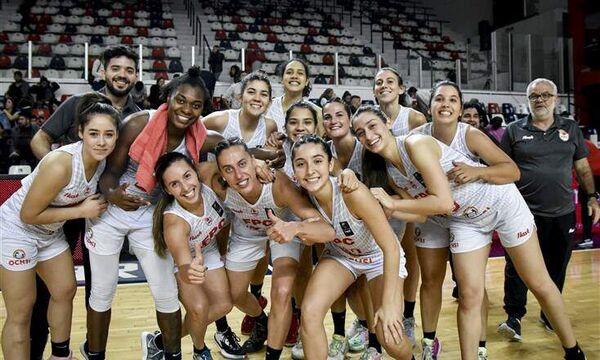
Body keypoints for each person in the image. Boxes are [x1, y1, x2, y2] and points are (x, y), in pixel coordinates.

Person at [354, 104, 588, 360]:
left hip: (502, 205)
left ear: (387, 123)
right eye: (360, 133)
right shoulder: (388, 174)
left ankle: (573, 350)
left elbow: (441, 201)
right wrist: (391, 211)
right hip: (466, 220)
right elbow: (422, 214)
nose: (368, 135)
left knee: (538, 282)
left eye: (372, 126)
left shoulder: (415, 143)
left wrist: (394, 204)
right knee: (468, 295)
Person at [81, 66, 223, 360]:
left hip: (150, 214)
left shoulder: (198, 135)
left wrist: (266, 156)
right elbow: (110, 174)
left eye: (195, 105)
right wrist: (113, 195)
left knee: (166, 293)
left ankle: (171, 355)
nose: (187, 109)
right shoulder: (137, 123)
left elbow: (231, 146)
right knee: (102, 292)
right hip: (111, 209)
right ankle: (95, 354)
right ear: (168, 96)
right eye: (181, 100)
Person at [27, 44, 141, 360]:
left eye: (129, 70)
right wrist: (64, 175)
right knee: (47, 289)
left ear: (136, 75)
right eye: (116, 68)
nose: (122, 75)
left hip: (105, 212)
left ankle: (94, 350)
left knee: (98, 288)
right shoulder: (78, 104)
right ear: (102, 71)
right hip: (66, 208)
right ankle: (38, 349)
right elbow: (39, 139)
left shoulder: (139, 115)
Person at [0, 93, 119, 360]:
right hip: (16, 229)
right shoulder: (61, 164)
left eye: (109, 134)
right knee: (22, 310)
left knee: (65, 290)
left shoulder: (102, 163)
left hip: (49, 232)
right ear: (80, 133)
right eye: (94, 134)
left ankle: (60, 356)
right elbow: (28, 214)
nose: (101, 141)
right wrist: (80, 210)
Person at [412, 80, 516, 359]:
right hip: (434, 216)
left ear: (459, 108)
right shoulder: (417, 136)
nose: (445, 104)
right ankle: (429, 344)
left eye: (453, 100)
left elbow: (511, 172)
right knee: (431, 280)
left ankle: (479, 346)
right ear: (430, 106)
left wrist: (477, 171)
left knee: (471, 286)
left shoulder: (470, 136)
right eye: (439, 99)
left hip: (466, 219)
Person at [210, 137, 336, 360]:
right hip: (247, 233)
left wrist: (295, 228)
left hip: (283, 228)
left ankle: (272, 356)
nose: (238, 175)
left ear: (253, 161)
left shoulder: (277, 184)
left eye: (242, 164)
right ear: (220, 172)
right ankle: (261, 321)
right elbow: (192, 167)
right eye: (228, 169)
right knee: (233, 295)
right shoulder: (214, 181)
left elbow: (323, 226)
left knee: (282, 292)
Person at [291, 134, 412, 360]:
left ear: (330, 164)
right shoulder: (302, 195)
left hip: (379, 256)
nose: (309, 171)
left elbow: (391, 248)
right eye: (301, 164)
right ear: (294, 171)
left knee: (388, 334)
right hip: (342, 255)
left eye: (317, 161)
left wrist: (388, 305)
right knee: (309, 313)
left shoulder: (353, 193)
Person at [498, 78, 600, 342]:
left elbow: (583, 168)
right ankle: (514, 316)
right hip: (522, 213)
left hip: (562, 212)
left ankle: (548, 313)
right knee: (517, 266)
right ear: (527, 101)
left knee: (557, 265)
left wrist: (591, 197)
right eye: (534, 96)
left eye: (545, 95)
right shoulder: (513, 131)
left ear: (556, 99)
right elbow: (501, 168)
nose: (540, 100)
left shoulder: (571, 128)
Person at [152, 152, 234, 360]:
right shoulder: (175, 224)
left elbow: (234, 157)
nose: (186, 187)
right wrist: (192, 272)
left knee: (224, 305)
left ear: (196, 172)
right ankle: (200, 351)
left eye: (187, 176)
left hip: (207, 248)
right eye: (175, 184)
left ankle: (161, 341)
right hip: (182, 261)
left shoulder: (207, 174)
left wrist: (260, 162)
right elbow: (184, 264)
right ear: (167, 190)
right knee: (199, 308)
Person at [373, 67, 427, 348]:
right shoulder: (372, 119)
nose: (384, 86)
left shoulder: (414, 118)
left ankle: (407, 315)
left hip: (411, 194)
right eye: (379, 83)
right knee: (383, 255)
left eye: (390, 82)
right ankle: (373, 317)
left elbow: (426, 157)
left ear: (401, 88)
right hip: (383, 193)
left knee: (411, 255)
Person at [203, 71, 277, 151]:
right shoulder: (220, 120)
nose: (257, 98)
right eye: (251, 92)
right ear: (240, 97)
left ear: (269, 102)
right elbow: (191, 130)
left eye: (263, 94)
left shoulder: (270, 126)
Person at [265, 58, 323, 135]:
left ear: (306, 81)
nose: (294, 76)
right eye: (289, 72)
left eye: (300, 73)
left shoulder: (318, 113)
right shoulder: (267, 107)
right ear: (282, 79)